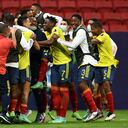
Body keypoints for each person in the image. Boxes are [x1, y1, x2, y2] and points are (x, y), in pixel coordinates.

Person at [52, 14, 99, 122]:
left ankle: (95, 110)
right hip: (82, 62)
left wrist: (58, 40)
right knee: (83, 85)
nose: (73, 23)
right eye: (72, 21)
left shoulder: (81, 31)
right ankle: (93, 111)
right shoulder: (76, 31)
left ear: (81, 21)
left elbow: (72, 45)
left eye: (75, 21)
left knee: (82, 83)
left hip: (87, 60)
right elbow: (72, 48)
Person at [38, 16, 73, 123]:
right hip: (55, 65)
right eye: (43, 23)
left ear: (52, 24)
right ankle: (58, 116)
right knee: (54, 90)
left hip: (64, 63)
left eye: (46, 23)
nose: (44, 24)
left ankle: (62, 116)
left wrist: (35, 42)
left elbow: (50, 42)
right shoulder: (47, 33)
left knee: (63, 90)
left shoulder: (56, 30)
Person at [90, 19, 118, 121]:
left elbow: (94, 41)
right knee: (96, 89)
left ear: (99, 29)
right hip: (100, 65)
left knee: (106, 84)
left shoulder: (104, 35)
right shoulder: (97, 35)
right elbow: (92, 38)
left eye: (93, 29)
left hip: (108, 64)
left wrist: (83, 38)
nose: (92, 31)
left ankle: (111, 112)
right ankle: (99, 112)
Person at [59, 19, 82, 120]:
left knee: (71, 87)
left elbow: (71, 49)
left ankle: (75, 111)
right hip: (57, 63)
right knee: (57, 88)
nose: (62, 25)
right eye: (61, 24)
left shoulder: (72, 36)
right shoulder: (56, 34)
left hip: (70, 63)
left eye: (64, 24)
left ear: (68, 26)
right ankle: (57, 112)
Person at [0, 23, 15, 124]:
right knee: (5, 92)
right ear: (6, 31)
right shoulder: (7, 41)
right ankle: (3, 113)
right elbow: (15, 45)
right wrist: (13, 33)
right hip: (1, 71)